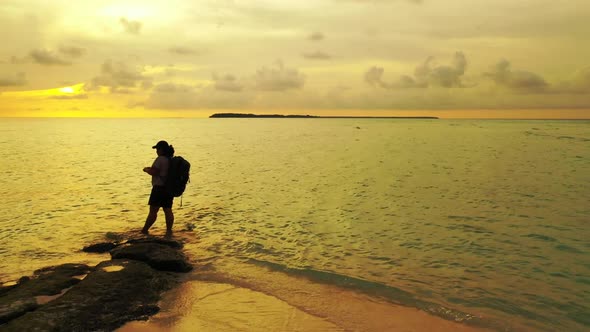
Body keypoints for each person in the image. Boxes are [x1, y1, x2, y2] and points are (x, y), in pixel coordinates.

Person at [142, 140, 175, 236]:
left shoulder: (160, 159)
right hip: (168, 189)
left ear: (161, 150)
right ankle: (169, 231)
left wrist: (146, 170)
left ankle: (144, 230)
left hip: (158, 189)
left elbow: (154, 172)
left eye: (157, 149)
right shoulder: (171, 159)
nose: (156, 151)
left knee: (153, 211)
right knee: (168, 210)